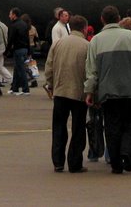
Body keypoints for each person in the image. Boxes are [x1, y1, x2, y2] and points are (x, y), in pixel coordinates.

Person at [84, 5, 131, 175]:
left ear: (102, 20)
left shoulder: (96, 40)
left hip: (109, 92)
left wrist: (89, 91)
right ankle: (126, 152)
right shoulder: (130, 36)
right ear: (118, 18)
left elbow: (91, 71)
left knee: (111, 127)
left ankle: (116, 164)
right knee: (130, 124)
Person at [44, 14, 90, 173]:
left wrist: (50, 84)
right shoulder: (87, 45)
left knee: (58, 127)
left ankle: (58, 161)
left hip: (60, 91)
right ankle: (75, 162)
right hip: (79, 93)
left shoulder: (58, 44)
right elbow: (90, 71)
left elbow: (49, 67)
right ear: (84, 28)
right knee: (78, 128)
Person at [8, 8, 31, 95]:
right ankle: (14, 88)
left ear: (14, 15)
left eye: (10, 14)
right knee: (17, 69)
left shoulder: (14, 25)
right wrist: (29, 51)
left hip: (18, 49)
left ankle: (25, 89)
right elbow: (27, 38)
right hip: (24, 49)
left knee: (21, 69)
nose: (9, 16)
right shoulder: (24, 24)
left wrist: (7, 51)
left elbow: (11, 39)